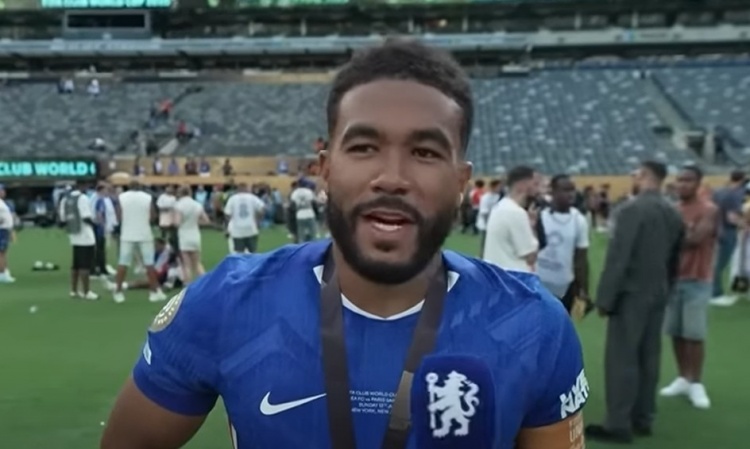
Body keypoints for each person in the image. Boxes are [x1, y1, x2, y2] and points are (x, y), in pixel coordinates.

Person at [101, 39, 587, 449]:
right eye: (364, 147)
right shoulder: (227, 303)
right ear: (324, 169)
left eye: (424, 151)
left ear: (461, 183)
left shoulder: (532, 324)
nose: (392, 177)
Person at [586, 160, 684, 444]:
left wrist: (605, 298)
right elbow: (675, 258)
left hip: (631, 292)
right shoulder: (672, 211)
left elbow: (619, 257)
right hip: (658, 289)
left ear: (644, 176)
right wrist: (667, 288)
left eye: (636, 175)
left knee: (622, 357)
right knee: (649, 355)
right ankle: (644, 416)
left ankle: (618, 422)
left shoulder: (632, 210)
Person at [660, 165, 717, 409]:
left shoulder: (709, 209)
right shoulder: (674, 209)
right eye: (680, 180)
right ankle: (683, 377)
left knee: (694, 333)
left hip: (697, 277)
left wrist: (672, 238)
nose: (683, 184)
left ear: (698, 183)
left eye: (688, 180)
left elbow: (695, 239)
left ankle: (696, 382)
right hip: (674, 277)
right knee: (676, 330)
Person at [536, 174, 590, 314]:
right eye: (565, 190)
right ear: (553, 192)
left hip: (564, 288)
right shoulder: (540, 216)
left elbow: (581, 258)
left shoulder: (579, 220)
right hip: (538, 284)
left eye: (572, 190)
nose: (571, 194)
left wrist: (583, 289)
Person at [114, 181, 166, 304]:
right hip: (144, 234)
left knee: (123, 263)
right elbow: (152, 216)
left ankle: (118, 291)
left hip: (127, 234)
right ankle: (153, 292)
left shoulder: (122, 197)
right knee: (149, 264)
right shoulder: (147, 197)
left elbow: (118, 216)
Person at [482, 165, 539, 273]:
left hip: (497, 274)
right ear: (522, 185)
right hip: (512, 277)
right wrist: (533, 226)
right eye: (535, 184)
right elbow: (531, 256)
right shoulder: (516, 212)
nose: (538, 189)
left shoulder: (500, 206)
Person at [710, 170, 746, 305]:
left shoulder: (719, 191)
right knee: (726, 264)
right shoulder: (735, 194)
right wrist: (744, 223)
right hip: (728, 231)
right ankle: (716, 293)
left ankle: (740, 289)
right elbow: (731, 217)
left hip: (716, 229)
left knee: (720, 263)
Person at [58, 182, 99, 300]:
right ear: (82, 186)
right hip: (85, 235)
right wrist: (95, 225)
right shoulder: (83, 198)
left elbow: (62, 219)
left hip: (73, 235)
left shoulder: (65, 199)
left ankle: (74, 290)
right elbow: (86, 216)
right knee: (85, 264)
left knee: (76, 264)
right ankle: (86, 291)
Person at [174, 185, 209, 283]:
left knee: (186, 265)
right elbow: (206, 220)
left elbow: (177, 222)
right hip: (195, 234)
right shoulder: (197, 204)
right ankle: (206, 283)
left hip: (184, 234)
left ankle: (188, 285)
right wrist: (196, 222)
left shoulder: (178, 205)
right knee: (197, 263)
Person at [224, 182, 265, 254]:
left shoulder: (232, 199)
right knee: (253, 253)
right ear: (246, 188)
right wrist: (258, 221)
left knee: (239, 254)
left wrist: (227, 228)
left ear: (238, 189)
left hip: (237, 231)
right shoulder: (252, 197)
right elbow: (262, 208)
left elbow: (227, 214)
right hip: (251, 229)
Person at [476, 178, 502, 257]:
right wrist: (489, 224)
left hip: (496, 224)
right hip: (485, 224)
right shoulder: (485, 197)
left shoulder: (498, 197)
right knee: (484, 244)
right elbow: (484, 212)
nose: (500, 189)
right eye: (498, 187)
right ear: (493, 187)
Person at [0, 184, 15, 283]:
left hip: (4, 230)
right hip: (1, 230)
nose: (3, 192)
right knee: (1, 253)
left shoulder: (3, 203)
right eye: (1, 190)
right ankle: (2, 274)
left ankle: (4, 271)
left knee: (3, 252)